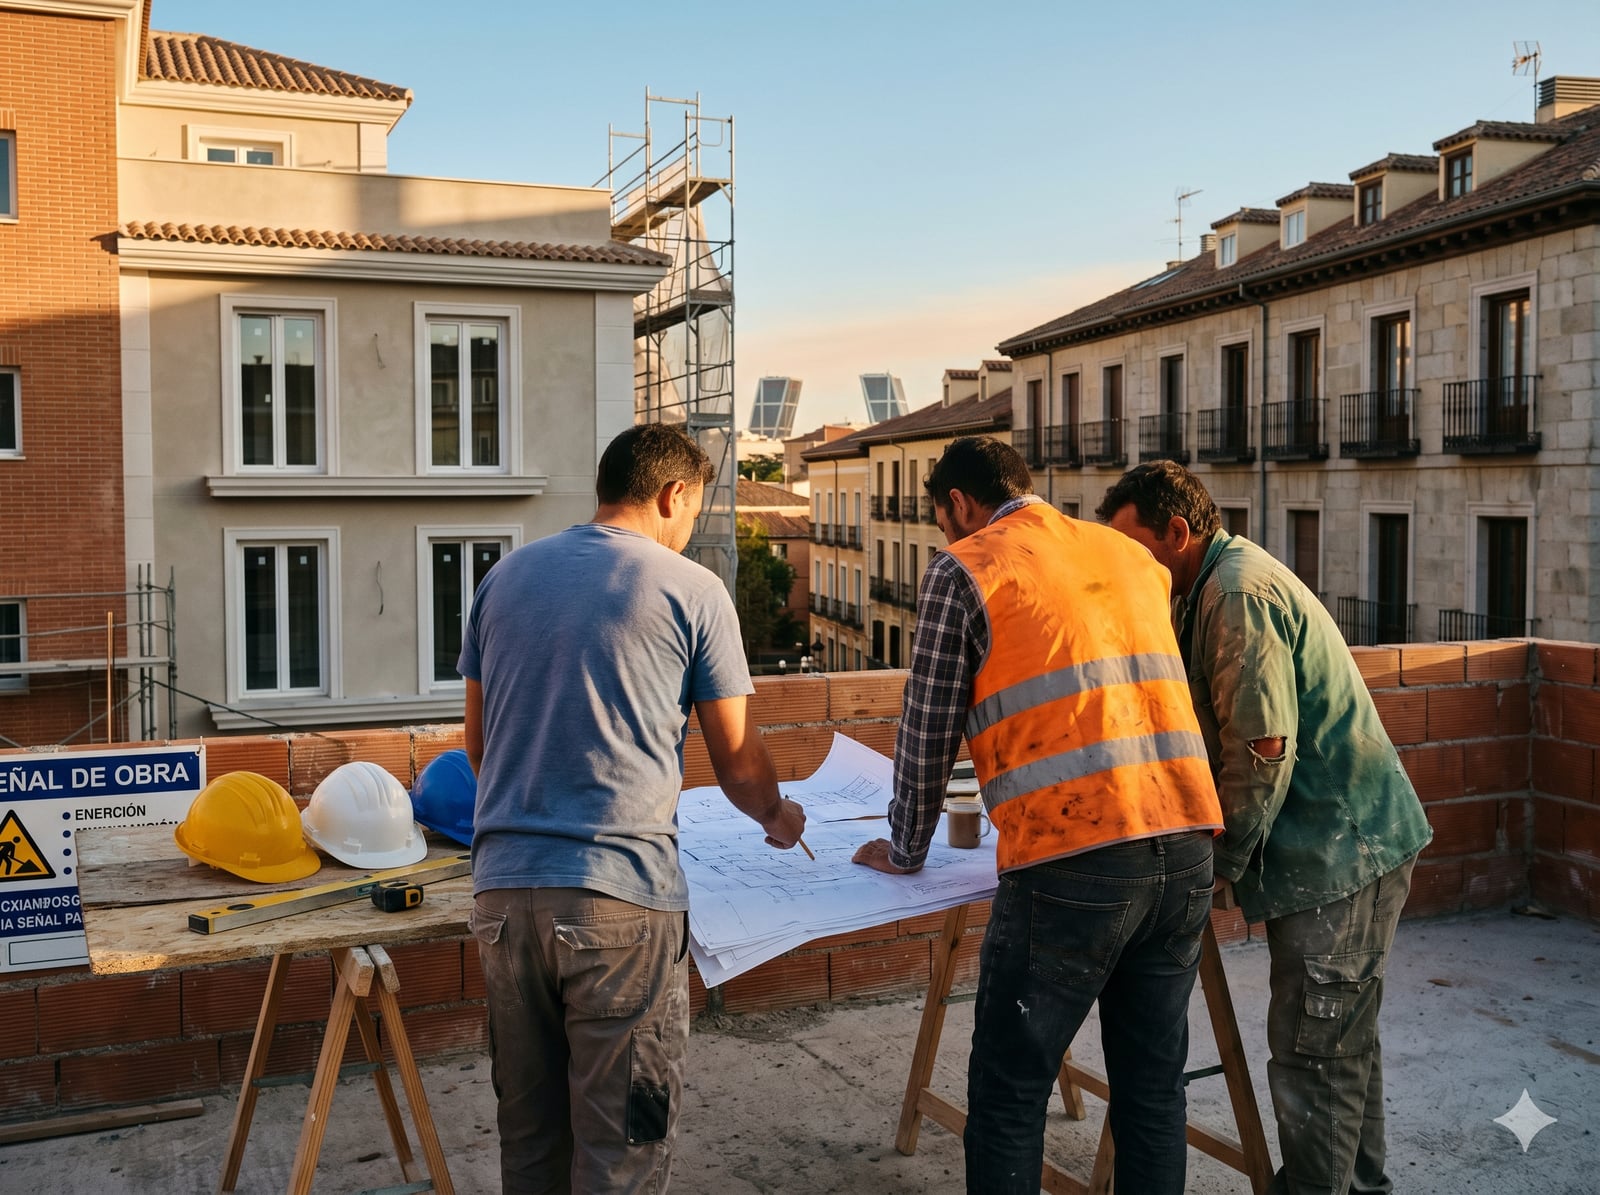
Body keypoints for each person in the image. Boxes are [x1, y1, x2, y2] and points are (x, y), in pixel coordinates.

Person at [853, 436, 1224, 1195]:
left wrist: (904, 846)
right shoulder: (1128, 556)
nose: (948, 534)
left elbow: (927, 732)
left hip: (1073, 861)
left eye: (943, 520)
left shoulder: (967, 566)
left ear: (959, 504)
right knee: (1153, 1090)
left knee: (1008, 1092)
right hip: (1185, 840)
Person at [460, 423, 807, 1194]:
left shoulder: (505, 577)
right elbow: (739, 760)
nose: (688, 530)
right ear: (672, 493)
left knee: (531, 1137)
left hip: (503, 898)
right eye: (693, 510)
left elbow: (477, 747)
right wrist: (777, 815)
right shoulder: (692, 589)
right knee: (624, 1146)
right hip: (618, 905)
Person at [1097, 461, 1432, 1195]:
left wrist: (1222, 861)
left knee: (1316, 1048)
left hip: (1344, 851)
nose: (1126, 568)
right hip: (1339, 846)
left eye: (1133, 549)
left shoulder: (1235, 592)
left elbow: (1263, 746)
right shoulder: (1205, 586)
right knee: (1341, 1042)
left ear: (1177, 534)